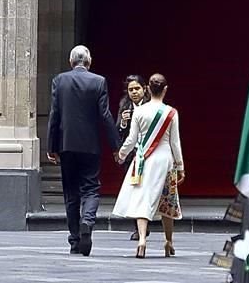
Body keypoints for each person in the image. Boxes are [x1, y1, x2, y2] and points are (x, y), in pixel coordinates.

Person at [46, 45, 120, 257]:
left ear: (71, 62)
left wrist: (51, 146)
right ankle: (87, 220)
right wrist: (115, 146)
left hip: (66, 144)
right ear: (89, 62)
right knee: (91, 188)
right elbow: (104, 115)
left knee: (71, 193)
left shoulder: (59, 81)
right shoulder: (98, 81)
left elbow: (55, 115)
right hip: (90, 145)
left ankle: (74, 240)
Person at [113, 72, 185, 258]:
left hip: (143, 159)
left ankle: (142, 240)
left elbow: (132, 139)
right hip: (166, 161)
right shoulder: (171, 113)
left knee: (142, 198)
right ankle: (168, 242)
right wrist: (180, 166)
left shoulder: (139, 111)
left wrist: (122, 154)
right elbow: (175, 143)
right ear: (165, 89)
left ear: (147, 89)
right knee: (167, 202)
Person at [116, 74, 150, 240]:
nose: (134, 92)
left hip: (149, 153)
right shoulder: (125, 105)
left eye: (137, 88)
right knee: (134, 190)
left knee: (147, 190)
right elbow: (119, 131)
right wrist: (123, 123)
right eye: (131, 90)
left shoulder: (152, 105)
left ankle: (146, 223)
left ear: (144, 89)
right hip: (132, 155)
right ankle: (138, 228)